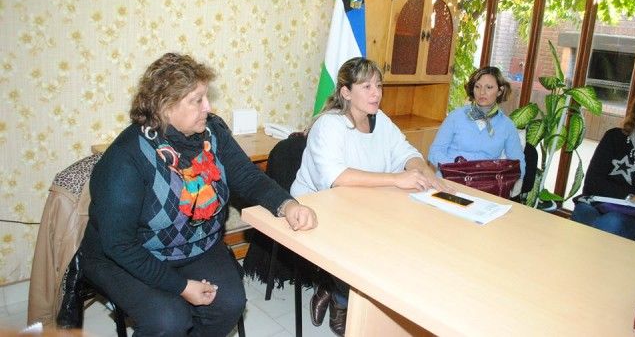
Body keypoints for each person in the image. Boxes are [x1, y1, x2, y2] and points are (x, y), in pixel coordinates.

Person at [79, 53, 317, 337]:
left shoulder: (212, 132)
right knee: (169, 320)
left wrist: (287, 205)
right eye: (197, 100)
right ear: (165, 106)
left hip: (195, 245)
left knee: (229, 303)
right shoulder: (126, 158)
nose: (208, 107)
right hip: (129, 255)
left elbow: (247, 176)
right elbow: (119, 245)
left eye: (206, 97)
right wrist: (181, 287)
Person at [291, 57, 448, 336]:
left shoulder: (380, 121)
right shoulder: (329, 125)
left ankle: (344, 290)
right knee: (359, 246)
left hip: (366, 202)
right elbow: (336, 178)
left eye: (379, 85)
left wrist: (424, 172)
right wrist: (396, 179)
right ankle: (339, 298)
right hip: (318, 203)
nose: (376, 93)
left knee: (403, 234)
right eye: (367, 87)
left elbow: (406, 152)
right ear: (346, 92)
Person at [428, 66, 525, 180]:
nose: (482, 92)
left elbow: (518, 165)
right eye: (477, 87)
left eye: (489, 87)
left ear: (500, 91)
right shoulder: (456, 116)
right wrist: (457, 169)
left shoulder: (507, 126)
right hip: (449, 178)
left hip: (483, 184)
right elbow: (434, 152)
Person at [571, 97, 635, 242]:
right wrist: (630, 197)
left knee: (611, 222)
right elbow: (592, 182)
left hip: (633, 217)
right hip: (596, 204)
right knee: (584, 212)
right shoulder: (614, 137)